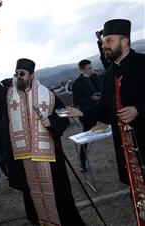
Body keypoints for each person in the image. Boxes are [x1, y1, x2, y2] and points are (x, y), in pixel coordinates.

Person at [0, 54, 85, 225]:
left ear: (32, 75)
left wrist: (52, 121)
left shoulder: (49, 95)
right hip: (23, 158)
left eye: (22, 74)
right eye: (16, 74)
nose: (18, 77)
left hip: (49, 157)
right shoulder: (8, 95)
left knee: (58, 194)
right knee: (32, 194)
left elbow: (63, 118)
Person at [68, 19, 145, 185]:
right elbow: (104, 110)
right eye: (103, 42)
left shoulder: (142, 63)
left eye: (109, 40)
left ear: (124, 41)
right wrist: (82, 112)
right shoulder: (107, 76)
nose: (104, 45)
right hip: (126, 153)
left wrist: (139, 109)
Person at [72, 59, 102, 171]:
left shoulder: (95, 76)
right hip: (88, 113)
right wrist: (91, 98)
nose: (91, 70)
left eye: (91, 67)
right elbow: (77, 102)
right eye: (89, 69)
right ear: (81, 70)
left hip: (101, 109)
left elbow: (101, 88)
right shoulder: (76, 84)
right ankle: (82, 163)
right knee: (86, 139)